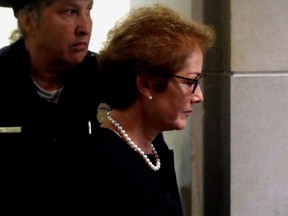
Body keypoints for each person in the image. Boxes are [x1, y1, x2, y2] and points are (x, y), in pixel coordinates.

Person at [90, 3, 215, 216]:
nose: (199, 96)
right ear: (146, 84)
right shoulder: (99, 165)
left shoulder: (155, 146)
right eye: (190, 82)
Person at [0, 0, 99, 212]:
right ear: (28, 21)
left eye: (88, 10)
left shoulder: (106, 80)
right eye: (71, 12)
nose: (85, 27)